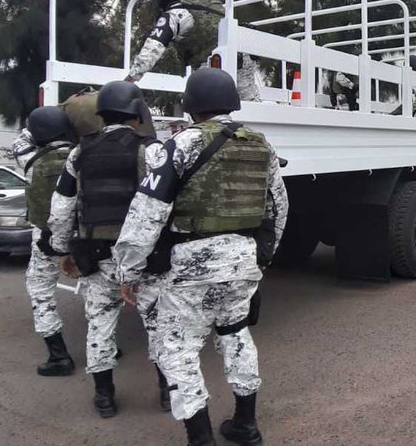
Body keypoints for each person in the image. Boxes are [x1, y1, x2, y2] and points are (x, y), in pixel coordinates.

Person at [112, 68, 288, 446]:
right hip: (242, 261)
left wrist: (128, 272)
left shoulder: (177, 145)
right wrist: (264, 256)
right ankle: (246, 424)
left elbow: (146, 212)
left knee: (178, 350)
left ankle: (200, 438)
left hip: (192, 264)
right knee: (236, 336)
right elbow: (278, 207)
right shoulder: (262, 146)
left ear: (190, 105)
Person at [46, 81, 169, 417]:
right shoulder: (153, 150)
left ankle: (104, 398)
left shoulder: (79, 152)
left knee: (99, 327)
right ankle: (166, 394)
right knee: (158, 326)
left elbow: (61, 208)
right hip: (143, 259)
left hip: (96, 257)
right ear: (135, 112)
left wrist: (62, 251)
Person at [125, 0, 262, 101]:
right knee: (250, 107)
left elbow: (152, 49)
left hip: (213, 66)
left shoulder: (175, 13)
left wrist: (130, 79)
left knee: (206, 112)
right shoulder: (209, 1)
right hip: (243, 59)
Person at [14, 107, 76, 376]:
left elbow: (22, 139)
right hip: (83, 239)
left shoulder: (29, 159)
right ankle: (105, 346)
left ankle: (58, 356)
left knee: (41, 291)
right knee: (99, 295)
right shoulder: (83, 156)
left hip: (46, 241)